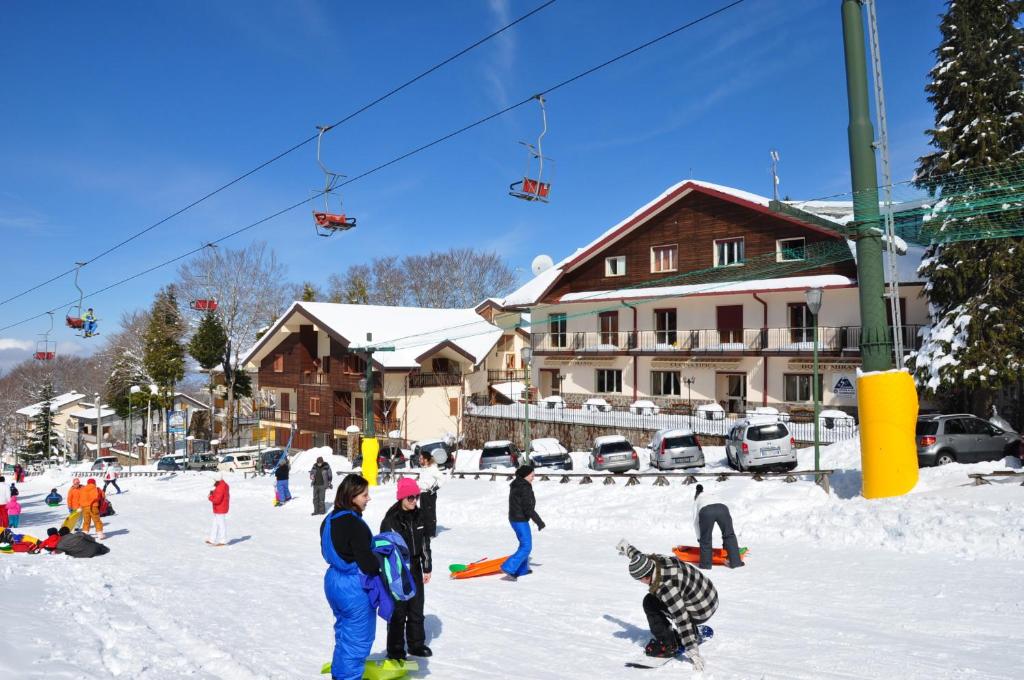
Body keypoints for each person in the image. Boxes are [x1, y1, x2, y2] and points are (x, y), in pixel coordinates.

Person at [615, 539, 718, 671]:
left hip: (701, 609)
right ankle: (693, 633)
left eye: (639, 580)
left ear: (645, 577)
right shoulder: (655, 561)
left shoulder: (666, 587)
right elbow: (639, 558)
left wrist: (693, 652)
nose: (640, 582)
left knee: (650, 603)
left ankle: (668, 645)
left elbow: (681, 618)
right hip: (708, 594)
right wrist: (627, 548)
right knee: (658, 599)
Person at [320, 475, 379, 680]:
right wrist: (380, 562)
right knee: (357, 641)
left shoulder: (328, 519)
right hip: (354, 588)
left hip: (334, 583)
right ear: (352, 496)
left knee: (343, 634)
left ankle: (339, 674)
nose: (368, 498)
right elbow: (368, 564)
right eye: (364, 494)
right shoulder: (355, 525)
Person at [380, 478, 433, 661]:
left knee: (416, 606)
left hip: (416, 567)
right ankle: (395, 650)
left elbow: (425, 543)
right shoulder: (391, 520)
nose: (414, 500)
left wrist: (427, 567)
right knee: (399, 610)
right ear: (402, 497)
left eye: (416, 496)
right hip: (398, 569)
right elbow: (382, 549)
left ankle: (416, 644)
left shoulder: (419, 516)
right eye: (410, 497)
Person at [501, 464, 545, 582]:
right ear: (525, 475)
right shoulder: (524, 487)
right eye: (532, 475)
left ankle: (522, 569)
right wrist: (539, 522)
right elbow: (528, 508)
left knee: (523, 544)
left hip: (515, 518)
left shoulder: (518, 484)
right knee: (526, 546)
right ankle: (508, 567)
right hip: (519, 520)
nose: (533, 477)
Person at [692, 484, 744, 570]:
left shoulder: (697, 500)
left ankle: (706, 565)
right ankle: (736, 562)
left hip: (707, 511)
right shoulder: (712, 495)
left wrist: (699, 538)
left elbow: (695, 522)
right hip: (723, 509)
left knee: (706, 539)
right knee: (729, 534)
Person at [416, 452, 444, 538]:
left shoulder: (433, 469)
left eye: (421, 458)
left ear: (426, 459)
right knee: (423, 513)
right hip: (423, 493)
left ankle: (431, 533)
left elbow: (442, 479)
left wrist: (434, 488)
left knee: (430, 514)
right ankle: (425, 532)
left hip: (430, 494)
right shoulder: (423, 469)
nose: (419, 460)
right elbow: (423, 482)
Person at [207, 473, 230, 546]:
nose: (213, 480)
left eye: (214, 479)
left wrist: (210, 497)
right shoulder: (221, 484)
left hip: (220, 508)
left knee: (221, 524)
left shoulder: (221, 486)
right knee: (215, 524)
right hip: (219, 508)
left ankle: (223, 540)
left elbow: (217, 500)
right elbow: (217, 494)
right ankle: (212, 539)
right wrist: (213, 491)